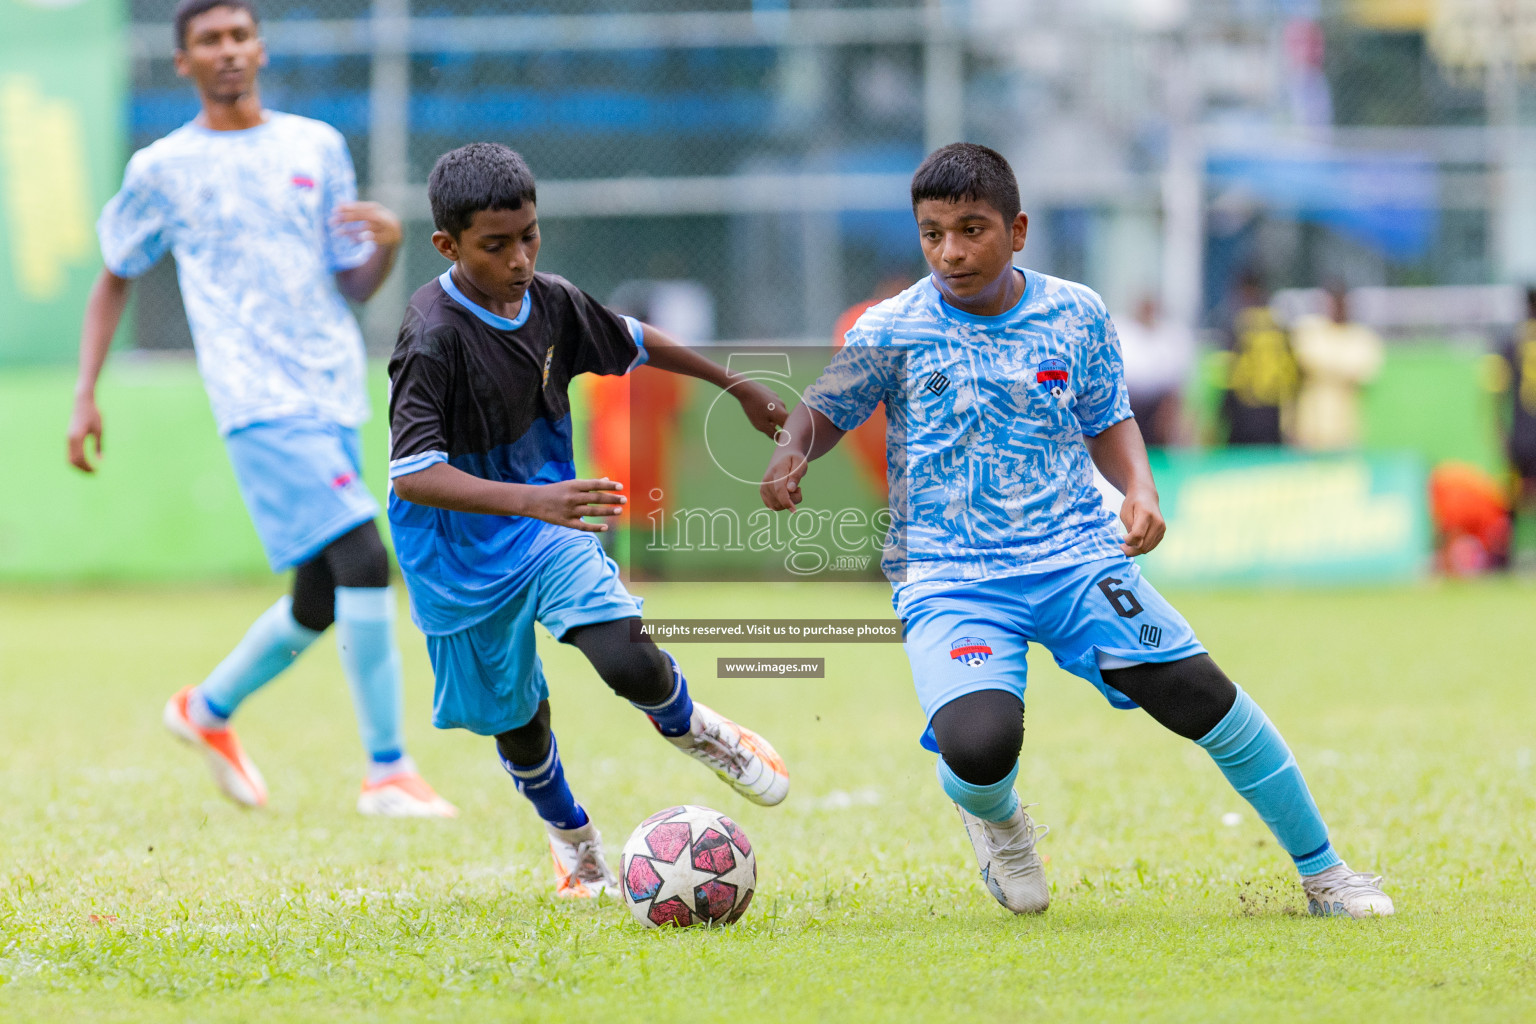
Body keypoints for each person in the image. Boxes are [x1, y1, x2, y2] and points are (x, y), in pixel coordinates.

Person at [760, 143, 1393, 919]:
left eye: (971, 228)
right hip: (950, 575)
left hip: (1075, 557)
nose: (951, 252)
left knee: (1203, 696)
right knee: (979, 744)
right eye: (932, 233)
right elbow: (825, 407)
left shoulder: (1076, 313)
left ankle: (1327, 873)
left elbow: (1110, 417)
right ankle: (996, 820)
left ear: (1017, 230)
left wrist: (1142, 488)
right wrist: (793, 452)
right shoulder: (892, 325)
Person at [66, 0, 454, 817]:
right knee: (363, 559)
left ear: (260, 48)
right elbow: (114, 272)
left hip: (329, 387)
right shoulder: (161, 169)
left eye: (239, 35)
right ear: (184, 62)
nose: (228, 50)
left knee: (319, 594)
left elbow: (349, 282)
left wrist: (384, 245)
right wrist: (85, 393)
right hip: (253, 397)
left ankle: (205, 710)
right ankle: (388, 771)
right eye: (209, 40)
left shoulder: (315, 145)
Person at [385, 143, 790, 897]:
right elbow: (413, 473)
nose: (519, 259)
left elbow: (635, 338)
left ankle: (690, 725)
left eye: (530, 235)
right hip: (455, 552)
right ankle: (572, 840)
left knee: (625, 654)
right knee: (517, 717)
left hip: (547, 526)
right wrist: (535, 500)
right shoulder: (431, 334)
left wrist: (733, 384)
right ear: (447, 245)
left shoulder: (552, 300)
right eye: (495, 245)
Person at [1290, 283, 1383, 452]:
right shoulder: (1310, 330)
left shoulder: (1362, 337)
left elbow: (1365, 373)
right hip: (1310, 428)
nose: (1338, 308)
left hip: (1345, 431)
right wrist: (1342, 368)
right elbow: (1307, 360)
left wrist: (1326, 367)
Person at [1217, 271, 1298, 446]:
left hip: (1242, 412)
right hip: (1272, 414)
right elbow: (1292, 373)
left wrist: (1220, 414)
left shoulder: (1239, 322)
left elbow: (1228, 370)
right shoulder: (1278, 324)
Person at [1114, 293, 1195, 448]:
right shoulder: (1121, 332)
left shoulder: (1172, 335)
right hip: (1127, 401)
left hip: (1160, 406)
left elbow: (1177, 383)